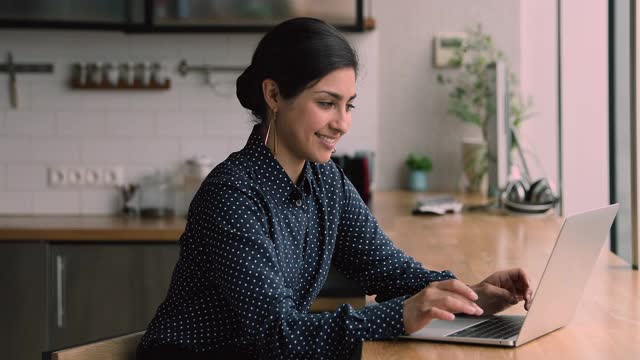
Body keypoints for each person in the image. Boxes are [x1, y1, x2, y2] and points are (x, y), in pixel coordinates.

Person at [136, 17, 533, 360]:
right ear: (274, 95)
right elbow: (280, 335)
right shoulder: (232, 197)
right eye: (327, 103)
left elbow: (390, 271)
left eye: (349, 105)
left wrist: (470, 296)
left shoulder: (325, 182)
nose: (342, 123)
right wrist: (400, 315)